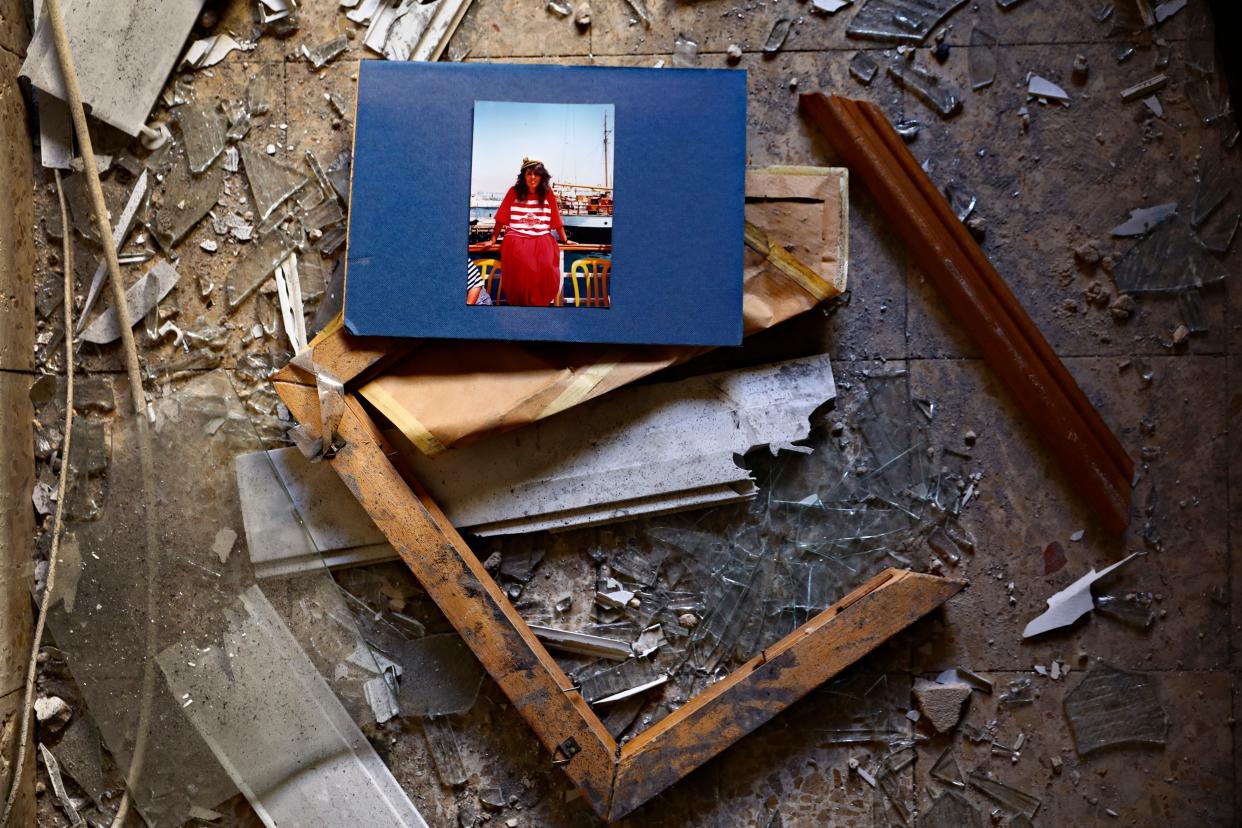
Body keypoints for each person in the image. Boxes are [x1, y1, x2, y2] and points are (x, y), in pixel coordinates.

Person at [488, 158, 570, 307]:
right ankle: (520, 304)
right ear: (523, 176)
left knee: (546, 268)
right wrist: (493, 239)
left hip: (542, 236)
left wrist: (565, 240)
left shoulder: (547, 193)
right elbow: (501, 217)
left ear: (542, 176)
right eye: (529, 174)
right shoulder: (513, 191)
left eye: (537, 174)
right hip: (516, 236)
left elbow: (556, 219)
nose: (533, 177)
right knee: (524, 266)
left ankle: (539, 305)